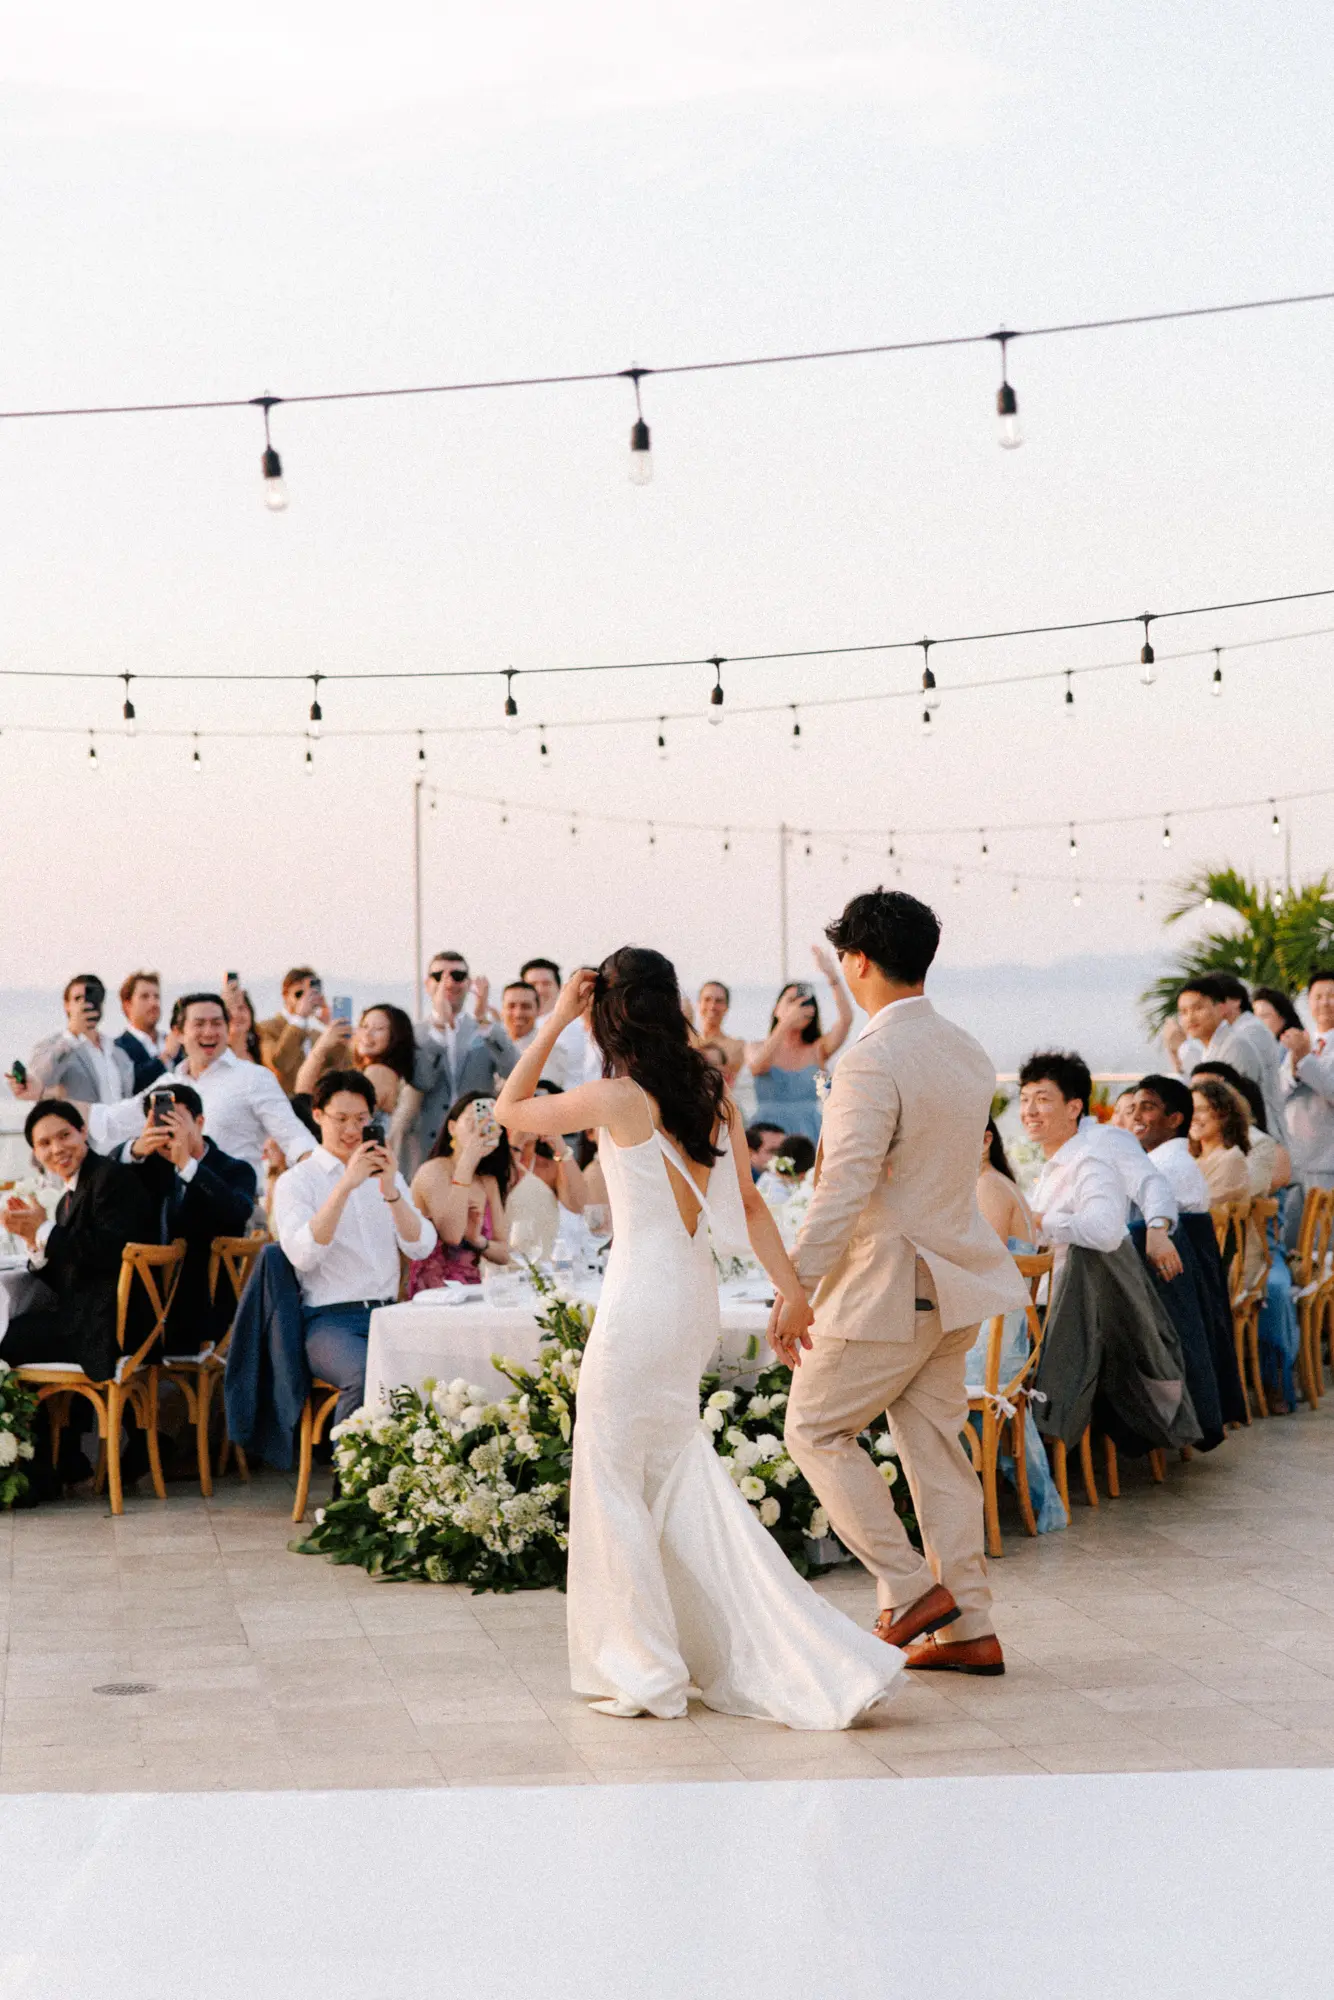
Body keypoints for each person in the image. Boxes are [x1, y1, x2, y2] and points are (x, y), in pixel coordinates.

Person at [495, 950, 902, 1729]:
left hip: (641, 1301)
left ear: (608, 1011)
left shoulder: (618, 1096)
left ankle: (645, 1667)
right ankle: (721, 1649)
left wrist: (555, 1020)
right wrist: (793, 1291)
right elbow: (747, 1204)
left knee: (613, 1479)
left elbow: (509, 1111)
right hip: (691, 1298)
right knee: (678, 1476)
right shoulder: (711, 1092)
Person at [781, 889, 1028, 1680]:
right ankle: (971, 1629)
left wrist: (798, 1286)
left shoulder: (869, 1057)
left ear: (856, 962)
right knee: (935, 1456)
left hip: (889, 1285)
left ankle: (915, 1591)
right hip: (955, 1281)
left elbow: (845, 1185)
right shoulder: (966, 1049)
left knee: (814, 1429)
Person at [271, 1070, 435, 1424]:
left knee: (437, 1368)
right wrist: (344, 1186)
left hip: (389, 1313)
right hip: (330, 1321)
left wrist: (391, 1190)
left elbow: (421, 1246)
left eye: (361, 1120)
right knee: (365, 1375)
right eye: (340, 1119)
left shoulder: (386, 1174)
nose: (351, 1130)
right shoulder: (297, 1182)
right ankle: (350, 1477)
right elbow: (302, 1255)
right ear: (318, 1116)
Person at [0, 1101, 157, 1380]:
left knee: (4, 1336)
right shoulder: (68, 1198)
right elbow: (69, 1276)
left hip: (111, 1327)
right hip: (88, 1319)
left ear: (83, 1132)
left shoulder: (111, 1178)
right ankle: (56, 1424)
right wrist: (34, 1240)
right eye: (45, 1143)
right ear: (36, 1153)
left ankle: (41, 1424)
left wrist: (45, 1228)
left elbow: (109, 1253)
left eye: (64, 1136)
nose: (57, 1149)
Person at [84, 994, 315, 1184]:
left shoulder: (253, 1078)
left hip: (234, 1211)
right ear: (178, 1033)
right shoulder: (167, 1085)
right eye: (199, 1024)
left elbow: (294, 1137)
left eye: (217, 1023)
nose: (209, 1032)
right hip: (175, 1216)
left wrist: (322, 1178)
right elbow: (111, 1121)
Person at [122, 1083, 258, 1348]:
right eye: (160, 1121)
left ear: (200, 1122)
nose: (169, 1130)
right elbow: (106, 1190)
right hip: (145, 1302)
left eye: (177, 1121)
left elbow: (235, 1213)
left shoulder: (235, 1169)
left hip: (203, 1303)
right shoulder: (145, 1168)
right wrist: (136, 1151)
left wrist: (187, 1165)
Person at [1020, 1052, 1130, 1269]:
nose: (1029, 1111)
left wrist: (1039, 1219)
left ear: (1074, 1108)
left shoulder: (1090, 1162)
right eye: (1024, 1099)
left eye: (1042, 1099)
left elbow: (1105, 1231)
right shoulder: (1055, 1163)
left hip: (1069, 1297)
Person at [413, 950, 517, 1159]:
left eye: (458, 976)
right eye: (438, 976)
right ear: (427, 984)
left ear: (468, 984)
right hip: (428, 1143)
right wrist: (440, 1029)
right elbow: (423, 1081)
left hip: (479, 1140)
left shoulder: (486, 1030)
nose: (448, 982)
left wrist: (483, 1022)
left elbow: (513, 1072)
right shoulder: (416, 1033)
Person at [746, 948, 854, 1144]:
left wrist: (832, 976)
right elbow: (756, 1066)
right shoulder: (756, 1046)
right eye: (792, 1001)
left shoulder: (817, 1049)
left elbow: (846, 1020)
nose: (799, 1006)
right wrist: (786, 1022)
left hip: (809, 1131)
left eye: (805, 1002)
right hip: (768, 1135)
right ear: (777, 1009)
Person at [409, 1092, 513, 1289]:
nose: (481, 1128)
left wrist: (478, 1240)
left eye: (491, 1121)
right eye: (473, 1120)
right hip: (435, 1292)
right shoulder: (434, 1170)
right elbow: (452, 1235)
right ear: (452, 1127)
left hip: (473, 1288)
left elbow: (504, 1253)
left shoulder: (487, 1180)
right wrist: (467, 1161)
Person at [28, 975, 134, 1104]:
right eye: (78, 998)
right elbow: (39, 1082)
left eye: (92, 998)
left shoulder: (117, 1053)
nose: (85, 1003)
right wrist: (74, 1034)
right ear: (67, 1005)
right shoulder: (51, 1047)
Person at [1279, 969, 1334, 1194]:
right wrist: (1293, 1068)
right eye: (1318, 997)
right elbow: (1278, 1090)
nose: (1324, 1003)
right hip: (1295, 1155)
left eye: (1331, 996)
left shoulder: (1304, 1048)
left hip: (1327, 1159)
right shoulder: (1303, 1041)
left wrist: (1304, 1060)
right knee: (1295, 1228)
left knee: (1323, 1228)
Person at [1129, 1076, 1212, 1213]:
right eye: (1132, 1109)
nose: (1135, 1117)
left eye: (1147, 1108)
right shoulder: (1177, 1162)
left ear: (1174, 1120)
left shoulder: (1159, 1170)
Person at [258, 968, 327, 1096]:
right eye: (299, 994)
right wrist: (299, 1017)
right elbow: (279, 1064)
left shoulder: (316, 1035)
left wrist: (332, 1024)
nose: (305, 999)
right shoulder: (266, 1028)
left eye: (311, 994)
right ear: (285, 995)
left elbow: (344, 1063)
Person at [1189, 1077, 1251, 1202]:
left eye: (1201, 1110)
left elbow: (1202, 1209)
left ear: (1223, 1113)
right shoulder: (1194, 1160)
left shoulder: (1231, 1159)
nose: (1193, 1117)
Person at [115, 971, 169, 1093]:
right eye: (145, 997)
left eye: (156, 997)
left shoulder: (177, 1043)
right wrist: (166, 1057)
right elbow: (131, 1086)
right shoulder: (117, 1049)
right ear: (127, 1005)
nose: (154, 1003)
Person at [693, 982, 745, 1083]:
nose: (712, 1006)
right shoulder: (687, 1039)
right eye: (707, 999)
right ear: (698, 1004)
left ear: (726, 1007)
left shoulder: (736, 1046)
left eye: (719, 1001)